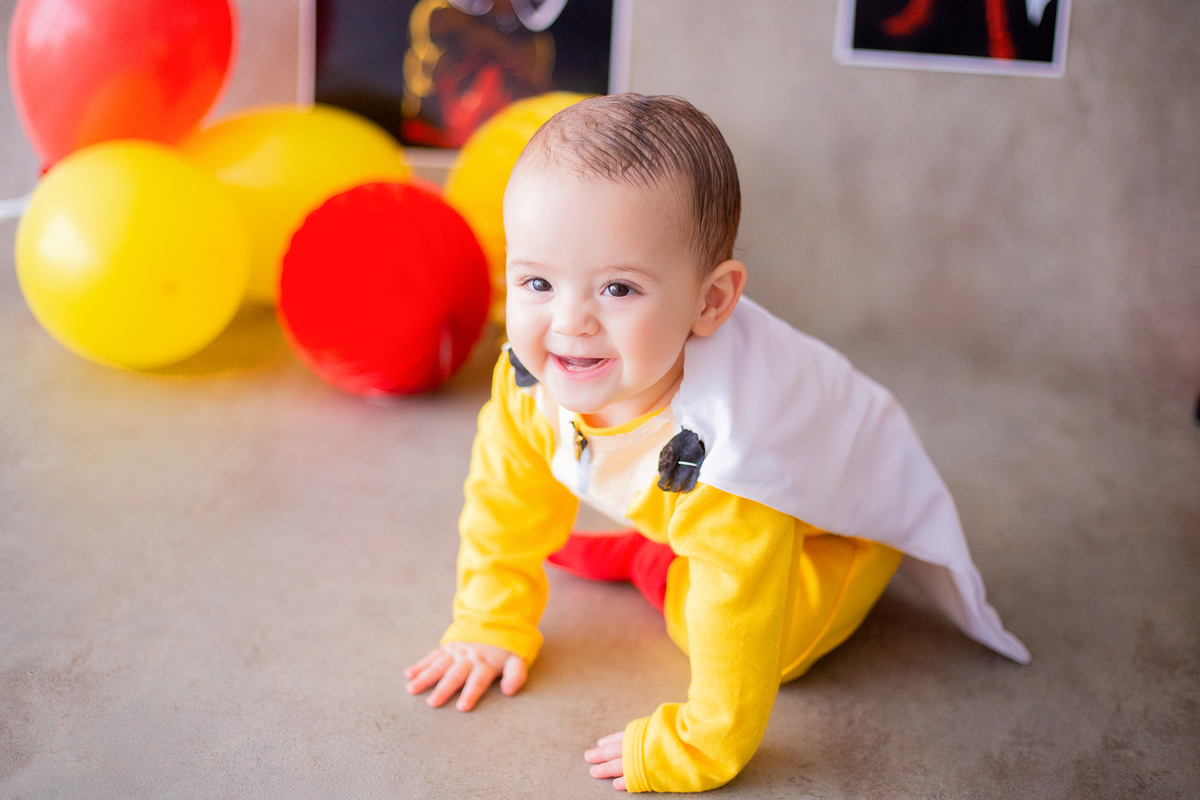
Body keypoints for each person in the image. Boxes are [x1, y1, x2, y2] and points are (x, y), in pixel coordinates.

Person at [404, 93, 1029, 793]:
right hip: (700, 513)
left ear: (711, 302)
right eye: (538, 281)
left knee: (764, 644)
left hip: (828, 525)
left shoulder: (731, 453)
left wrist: (697, 746)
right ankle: (663, 552)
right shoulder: (530, 377)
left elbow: (738, 636)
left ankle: (660, 564)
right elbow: (505, 496)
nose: (569, 321)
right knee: (684, 559)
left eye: (617, 288)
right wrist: (489, 620)